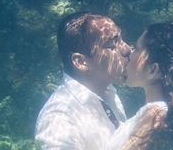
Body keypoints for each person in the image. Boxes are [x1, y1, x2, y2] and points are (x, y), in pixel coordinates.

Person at [35, 11, 133, 150]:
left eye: (122, 39)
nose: (127, 49)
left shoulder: (107, 91)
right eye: (111, 45)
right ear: (81, 62)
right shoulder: (59, 119)